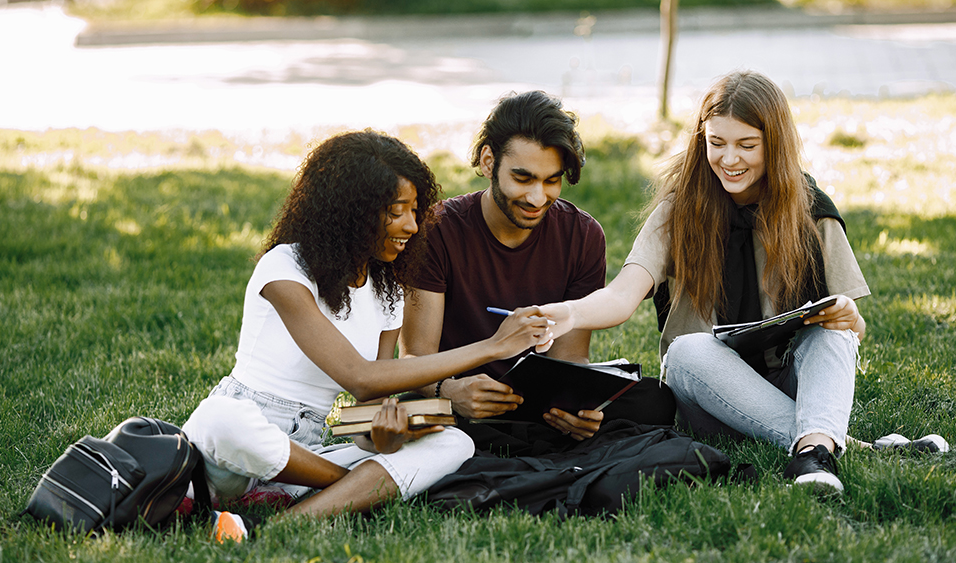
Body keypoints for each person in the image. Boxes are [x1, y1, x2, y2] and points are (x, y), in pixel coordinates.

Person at [181, 130, 553, 542]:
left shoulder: (387, 292)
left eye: (415, 210)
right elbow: (358, 376)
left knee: (454, 444)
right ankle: (346, 491)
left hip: (308, 452)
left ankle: (277, 523)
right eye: (397, 211)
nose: (412, 225)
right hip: (232, 451)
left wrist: (384, 435)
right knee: (222, 420)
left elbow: (365, 412)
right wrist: (493, 346)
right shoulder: (284, 268)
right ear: (352, 212)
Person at [537, 70, 870, 492]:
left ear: (776, 145)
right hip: (704, 390)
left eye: (747, 145)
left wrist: (849, 316)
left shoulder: (811, 211)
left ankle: (812, 453)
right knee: (687, 349)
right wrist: (565, 314)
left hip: (784, 380)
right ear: (701, 140)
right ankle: (830, 442)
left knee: (832, 333)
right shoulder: (679, 211)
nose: (729, 159)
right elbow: (622, 296)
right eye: (716, 143)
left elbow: (853, 334)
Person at [399, 90, 674, 457]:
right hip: (460, 400)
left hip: (534, 406)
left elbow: (571, 359)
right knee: (413, 416)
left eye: (551, 180)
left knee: (654, 403)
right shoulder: (437, 230)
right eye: (523, 178)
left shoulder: (582, 235)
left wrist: (578, 408)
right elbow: (414, 359)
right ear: (487, 161)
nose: (537, 197)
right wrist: (448, 391)